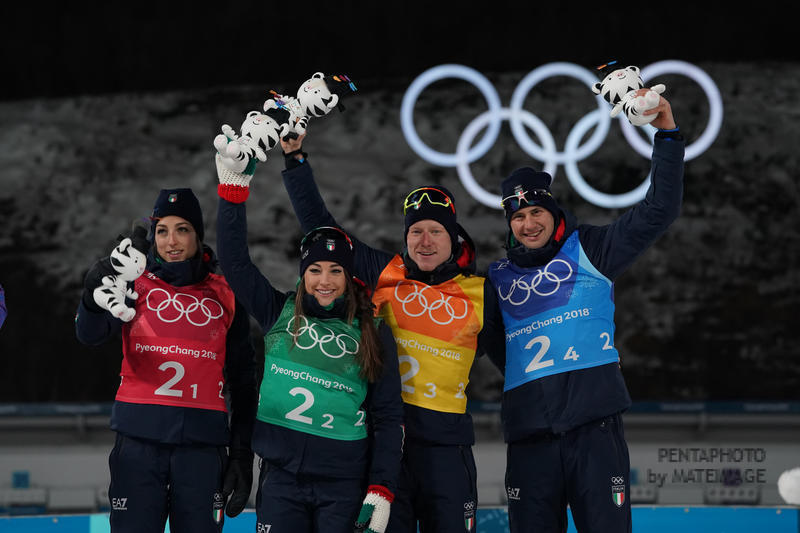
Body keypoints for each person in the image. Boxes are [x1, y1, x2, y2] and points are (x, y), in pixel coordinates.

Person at [223, 131, 504, 533]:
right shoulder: (384, 273)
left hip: (445, 447)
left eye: (436, 231)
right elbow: (324, 233)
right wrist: (296, 159)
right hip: (384, 446)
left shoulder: (481, 292)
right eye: (416, 232)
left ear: (454, 237)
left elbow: (508, 356)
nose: (425, 241)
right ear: (405, 238)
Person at [488, 93, 684, 533]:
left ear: (552, 211)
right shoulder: (497, 275)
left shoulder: (591, 249)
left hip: (594, 434)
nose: (528, 224)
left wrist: (666, 135)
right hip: (529, 438)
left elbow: (660, 211)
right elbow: (490, 343)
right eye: (517, 217)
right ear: (509, 224)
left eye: (536, 211)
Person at [215, 167, 405, 532]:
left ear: (349, 278)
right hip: (281, 480)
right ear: (303, 274)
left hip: (345, 483)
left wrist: (381, 489)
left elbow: (388, 416)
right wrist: (233, 190)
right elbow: (236, 262)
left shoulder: (375, 331)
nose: (325, 281)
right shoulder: (279, 311)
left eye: (336, 271)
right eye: (315, 269)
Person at [75, 188, 257, 533]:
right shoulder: (134, 283)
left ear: (198, 235)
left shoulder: (227, 292)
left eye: (182, 229)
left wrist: (242, 455)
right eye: (162, 231)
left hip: (203, 452)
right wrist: (90, 296)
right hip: (138, 447)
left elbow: (244, 382)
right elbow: (90, 335)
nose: (171, 241)